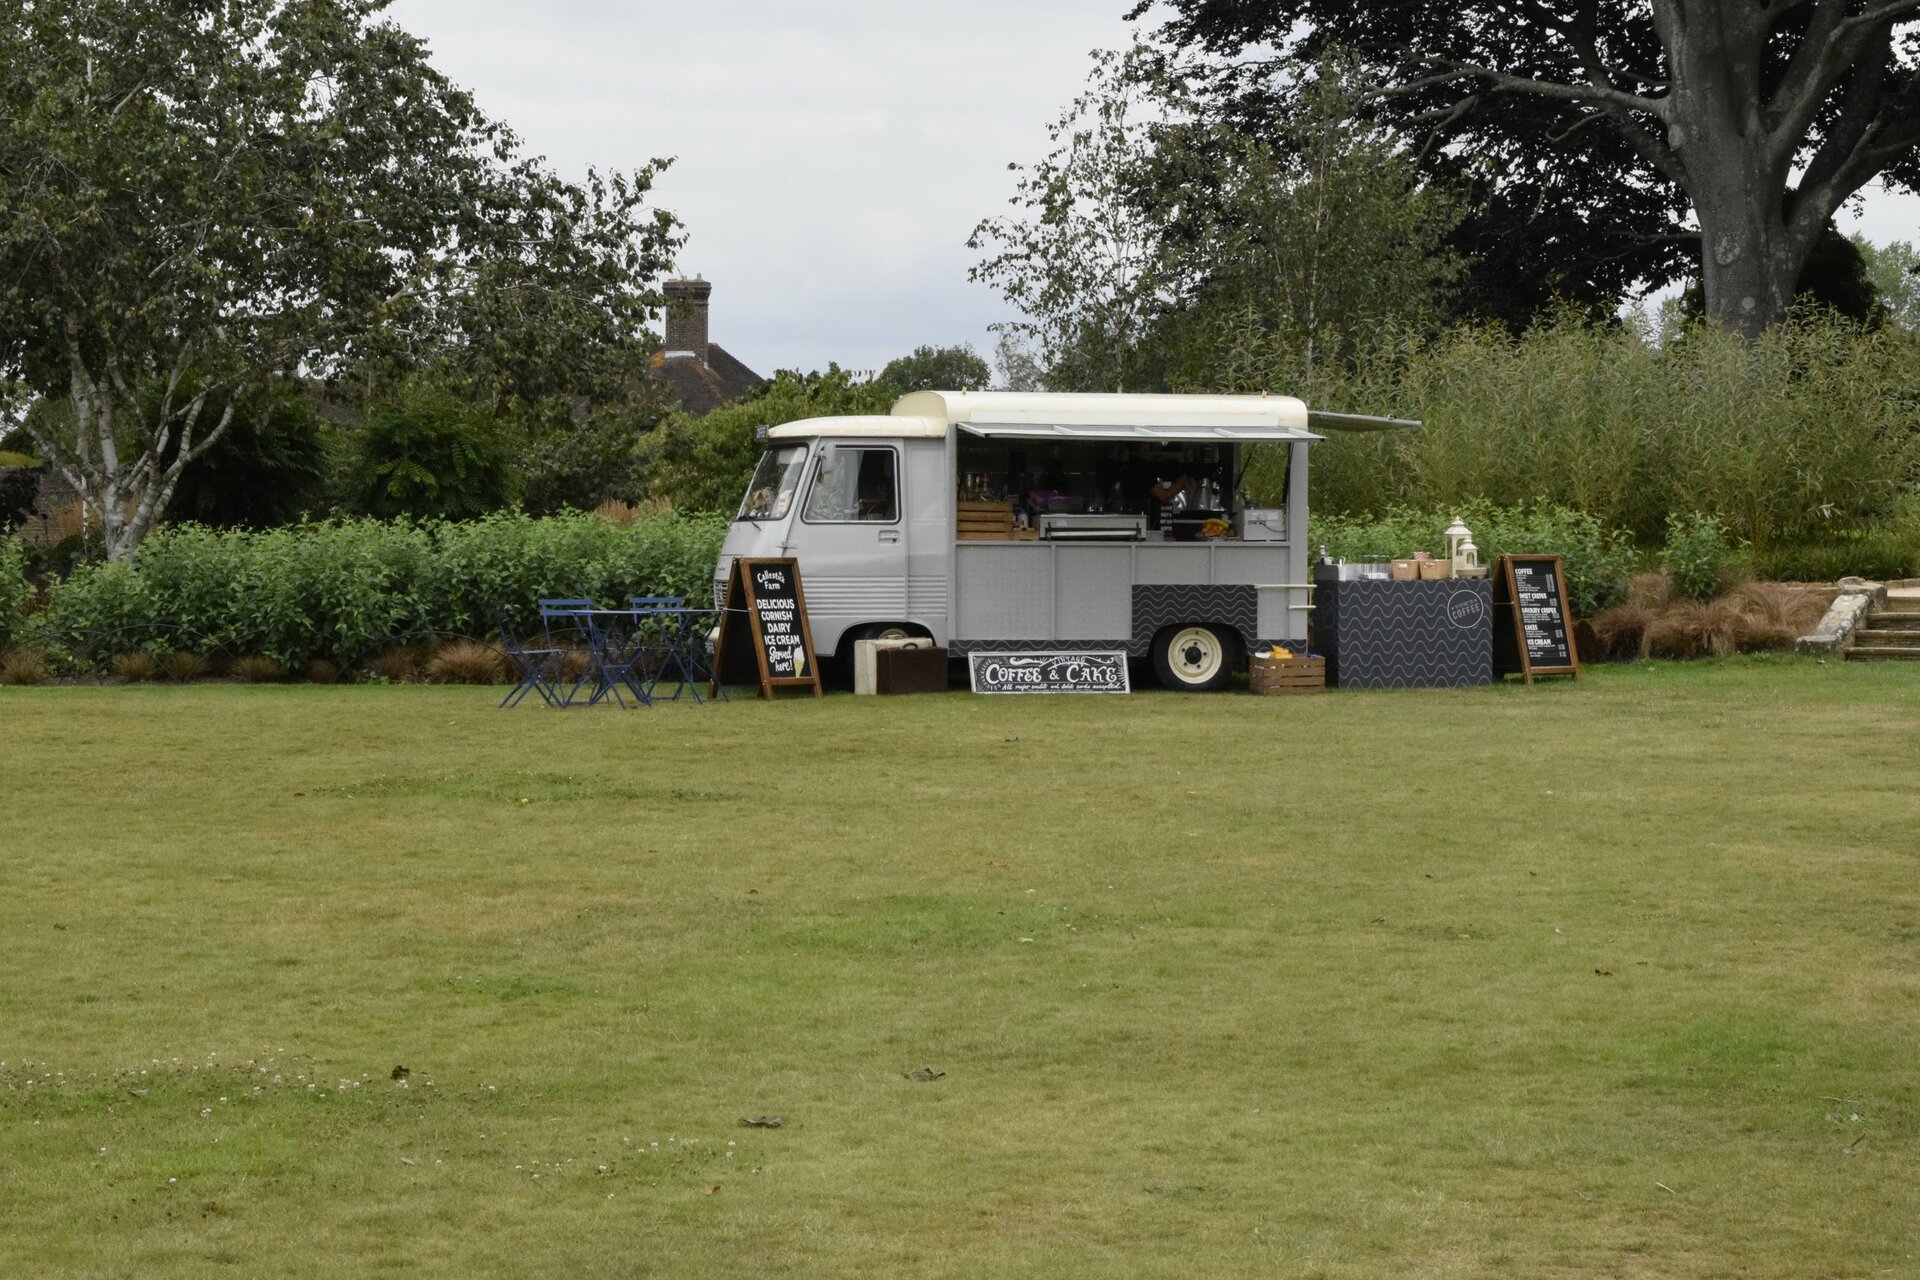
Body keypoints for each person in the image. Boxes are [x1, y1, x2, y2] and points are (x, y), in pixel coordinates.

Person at [1110, 444, 1192, 528]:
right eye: (1149, 445)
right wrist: (1184, 478)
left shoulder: (1129, 466)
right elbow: (1163, 496)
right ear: (1143, 446)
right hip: (1145, 522)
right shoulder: (1140, 467)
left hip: (1134, 520)